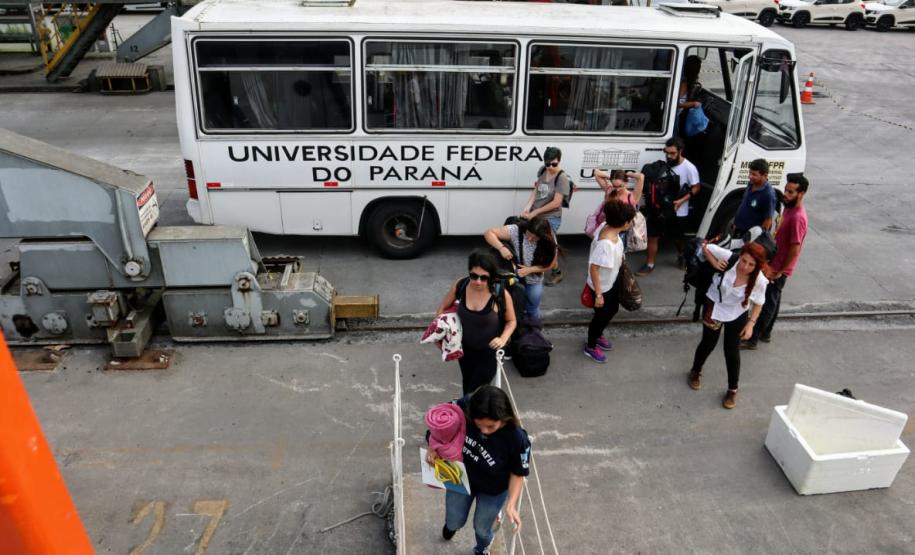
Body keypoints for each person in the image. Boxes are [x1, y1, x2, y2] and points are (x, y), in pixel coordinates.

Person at [426, 385, 531, 555]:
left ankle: (482, 548)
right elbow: (439, 424)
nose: (484, 431)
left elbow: (518, 472)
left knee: (482, 529)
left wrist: (511, 504)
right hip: (461, 476)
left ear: (504, 418)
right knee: (454, 519)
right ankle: (451, 526)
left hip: (493, 489)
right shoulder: (464, 406)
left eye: (491, 426)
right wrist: (433, 446)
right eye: (479, 424)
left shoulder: (517, 438)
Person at [687, 242, 769, 409]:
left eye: (751, 264)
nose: (745, 267)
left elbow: (759, 302)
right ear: (740, 256)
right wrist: (713, 262)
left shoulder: (760, 280)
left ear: (757, 266)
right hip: (714, 305)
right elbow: (705, 246)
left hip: (737, 313)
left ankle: (732, 389)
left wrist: (751, 324)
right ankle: (695, 372)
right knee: (708, 343)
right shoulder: (730, 258)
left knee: (731, 351)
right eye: (744, 261)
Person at [742, 173, 810, 349]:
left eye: (791, 192)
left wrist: (780, 271)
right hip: (774, 262)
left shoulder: (798, 218)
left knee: (765, 302)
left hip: (778, 268)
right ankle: (766, 333)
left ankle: (753, 339)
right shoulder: (789, 207)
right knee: (774, 298)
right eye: (786, 190)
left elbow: (795, 248)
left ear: (801, 194)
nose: (785, 194)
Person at [437, 250, 517, 394]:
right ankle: (470, 414)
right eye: (474, 276)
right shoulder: (461, 285)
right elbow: (442, 309)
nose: (478, 281)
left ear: (491, 277)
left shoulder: (499, 294)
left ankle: (469, 413)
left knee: (475, 391)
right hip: (464, 349)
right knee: (467, 383)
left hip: (489, 353)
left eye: (484, 278)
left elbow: (511, 321)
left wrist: (502, 339)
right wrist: (441, 335)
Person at [636, 138, 700, 275]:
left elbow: (696, 187)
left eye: (672, 153)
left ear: (680, 151)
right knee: (652, 236)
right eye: (667, 153)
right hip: (659, 209)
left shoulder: (689, 168)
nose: (669, 156)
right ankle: (650, 264)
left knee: (677, 238)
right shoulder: (662, 165)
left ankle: (681, 255)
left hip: (678, 210)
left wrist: (682, 200)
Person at [583, 200, 637, 363]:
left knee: (611, 310)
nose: (631, 223)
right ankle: (591, 346)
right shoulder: (606, 244)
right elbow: (594, 268)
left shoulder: (607, 226)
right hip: (602, 287)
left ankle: (598, 335)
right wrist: (599, 295)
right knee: (601, 316)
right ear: (624, 222)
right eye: (630, 221)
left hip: (610, 282)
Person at [483, 216, 558, 321]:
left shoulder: (549, 240)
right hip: (514, 278)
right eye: (528, 234)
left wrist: (530, 269)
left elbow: (551, 264)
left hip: (534, 280)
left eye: (535, 238)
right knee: (513, 309)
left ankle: (534, 332)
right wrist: (501, 248)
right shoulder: (516, 230)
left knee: (532, 309)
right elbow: (488, 233)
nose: (530, 239)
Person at [521, 146, 569, 286]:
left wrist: (535, 212)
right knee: (534, 240)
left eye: (554, 164)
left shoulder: (562, 178)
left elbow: (556, 202)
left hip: (551, 217)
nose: (550, 167)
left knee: (550, 245)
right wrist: (527, 208)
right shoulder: (542, 170)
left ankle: (557, 272)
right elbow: (536, 191)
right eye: (547, 163)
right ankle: (535, 267)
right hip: (537, 214)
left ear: (559, 161)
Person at [733, 158, 777, 236]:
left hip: (749, 237)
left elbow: (768, 220)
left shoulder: (768, 194)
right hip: (738, 230)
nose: (750, 176)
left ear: (765, 175)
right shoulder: (751, 184)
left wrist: (755, 239)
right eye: (750, 173)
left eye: (754, 174)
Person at [675, 55, 703, 138]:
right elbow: (676, 103)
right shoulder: (683, 83)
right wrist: (694, 104)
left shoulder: (687, 82)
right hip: (675, 118)